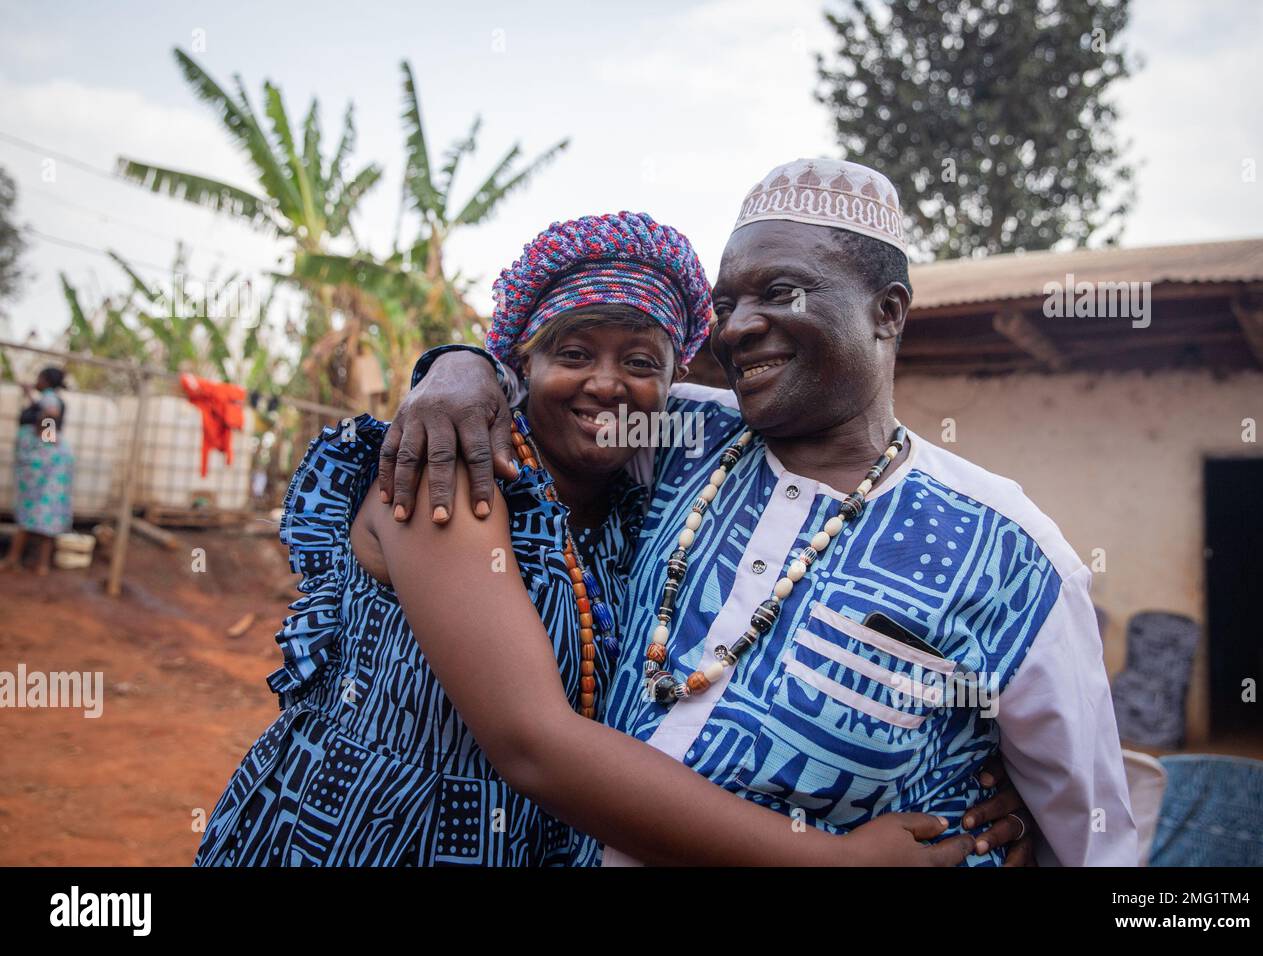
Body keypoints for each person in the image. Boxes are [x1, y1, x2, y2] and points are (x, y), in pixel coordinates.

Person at [197, 211, 1018, 866]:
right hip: (365, 837)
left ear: (673, 381)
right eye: (573, 352)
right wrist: (830, 862)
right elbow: (532, 743)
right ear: (520, 360)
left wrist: (966, 781)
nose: (605, 383)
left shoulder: (645, 506)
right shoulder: (452, 476)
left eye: (641, 359)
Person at [383, 161, 1139, 866]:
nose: (737, 327)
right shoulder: (675, 435)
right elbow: (538, 383)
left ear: (888, 311)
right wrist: (458, 365)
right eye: (726, 303)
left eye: (780, 293)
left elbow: (1090, 835)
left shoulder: (1009, 552)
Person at [2, 367, 74, 576]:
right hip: (50, 462)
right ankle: (40, 564)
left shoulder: (50, 400)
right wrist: (29, 396)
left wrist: (45, 438)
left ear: (46, 381)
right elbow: (44, 410)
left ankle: (15, 559)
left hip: (44, 464)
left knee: (34, 509)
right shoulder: (48, 398)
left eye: (39, 378)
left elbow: (50, 415)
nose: (36, 381)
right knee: (47, 512)